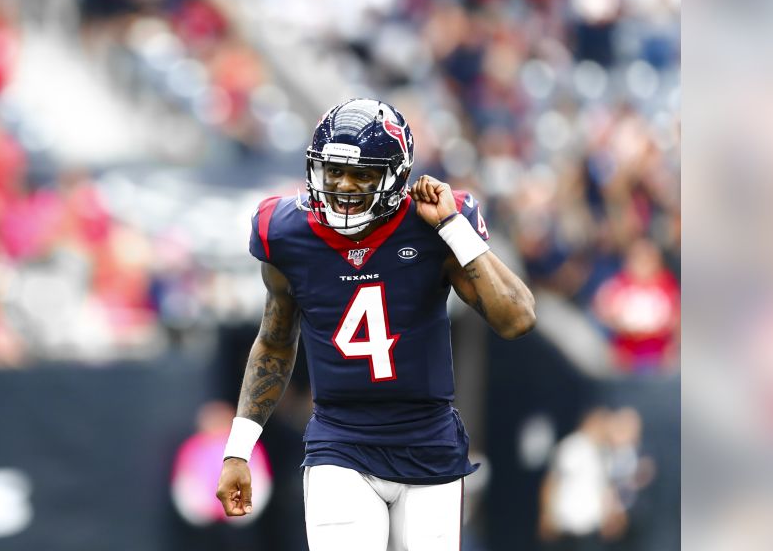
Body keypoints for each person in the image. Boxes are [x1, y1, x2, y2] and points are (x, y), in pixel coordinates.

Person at [215, 98, 536, 550]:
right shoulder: (286, 231)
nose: (344, 186)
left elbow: (517, 319)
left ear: (396, 177)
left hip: (430, 443)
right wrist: (238, 448)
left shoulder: (435, 225)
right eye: (334, 172)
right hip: (341, 439)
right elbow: (273, 343)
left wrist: (450, 226)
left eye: (363, 174)